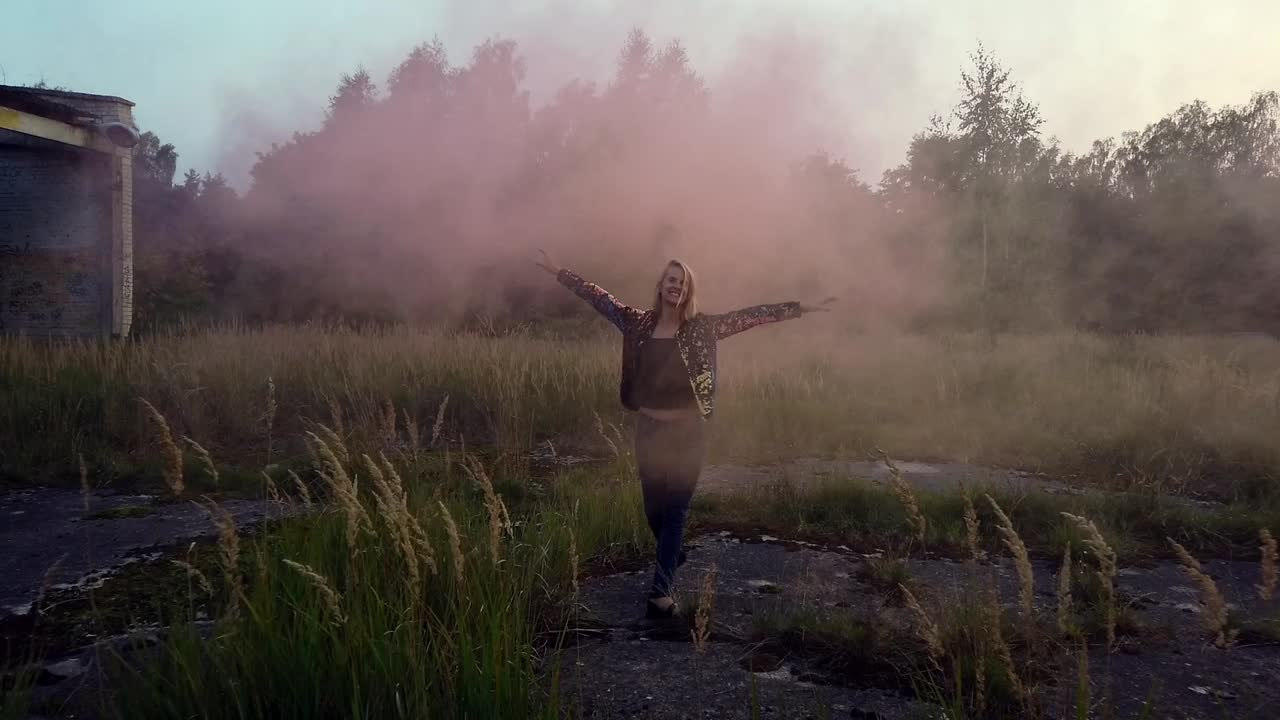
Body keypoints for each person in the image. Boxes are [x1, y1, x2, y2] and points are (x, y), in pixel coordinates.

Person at [536, 249, 833, 619]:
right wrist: (561, 273)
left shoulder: (701, 328)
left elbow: (753, 315)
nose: (676, 286)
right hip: (649, 431)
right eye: (671, 280)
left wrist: (802, 307)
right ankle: (672, 555)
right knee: (653, 511)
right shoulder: (637, 323)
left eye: (683, 282)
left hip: (687, 434)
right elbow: (599, 298)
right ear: (661, 286)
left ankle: (661, 593)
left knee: (675, 511)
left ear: (689, 291)